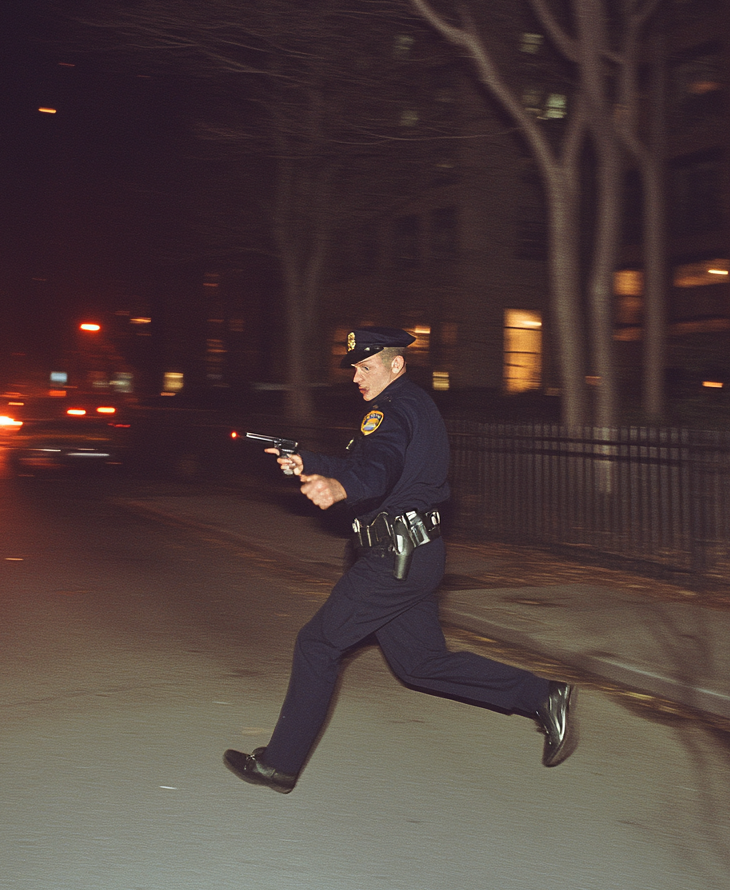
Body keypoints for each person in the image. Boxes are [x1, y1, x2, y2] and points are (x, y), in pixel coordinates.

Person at [224, 326, 577, 794]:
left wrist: (341, 488)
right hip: (414, 554)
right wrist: (306, 460)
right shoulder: (409, 408)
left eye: (366, 367)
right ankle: (542, 695)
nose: (356, 378)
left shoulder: (391, 411)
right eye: (354, 368)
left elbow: (377, 468)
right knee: (421, 664)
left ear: (396, 365)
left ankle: (280, 766)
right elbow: (369, 464)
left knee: (317, 645)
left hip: (394, 557)